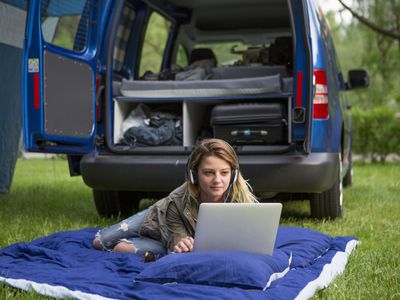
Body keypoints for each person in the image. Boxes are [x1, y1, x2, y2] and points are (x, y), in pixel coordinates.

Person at [93, 138, 258, 257]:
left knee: (123, 249)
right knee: (100, 242)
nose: (217, 180)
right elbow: (178, 241)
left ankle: (144, 245)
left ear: (234, 174)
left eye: (224, 173)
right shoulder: (177, 201)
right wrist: (182, 243)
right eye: (208, 173)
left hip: (170, 237)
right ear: (194, 175)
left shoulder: (240, 200)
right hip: (158, 217)